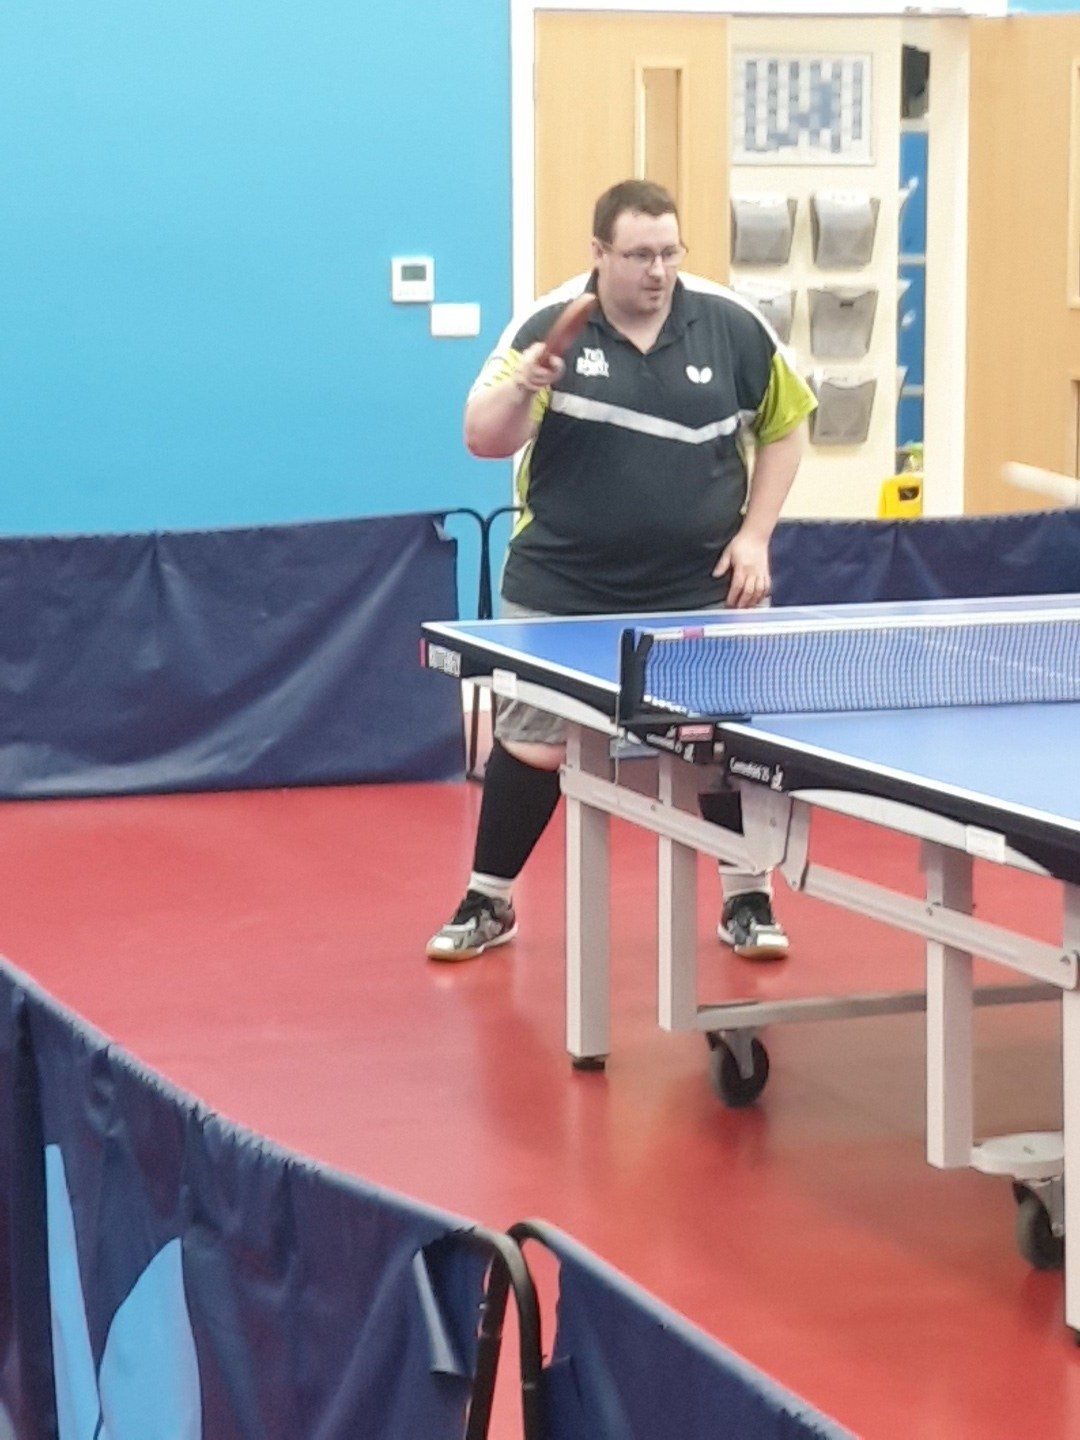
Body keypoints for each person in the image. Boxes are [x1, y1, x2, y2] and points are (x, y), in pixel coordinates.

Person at [427, 179, 816, 964]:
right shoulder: (550, 326)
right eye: (639, 255)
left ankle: (748, 898)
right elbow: (483, 439)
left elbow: (789, 425)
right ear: (599, 253)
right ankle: (488, 899)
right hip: (561, 583)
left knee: (716, 742)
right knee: (533, 744)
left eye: (669, 252)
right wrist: (527, 384)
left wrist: (756, 537)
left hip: (696, 583)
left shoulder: (731, 327)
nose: (658, 270)